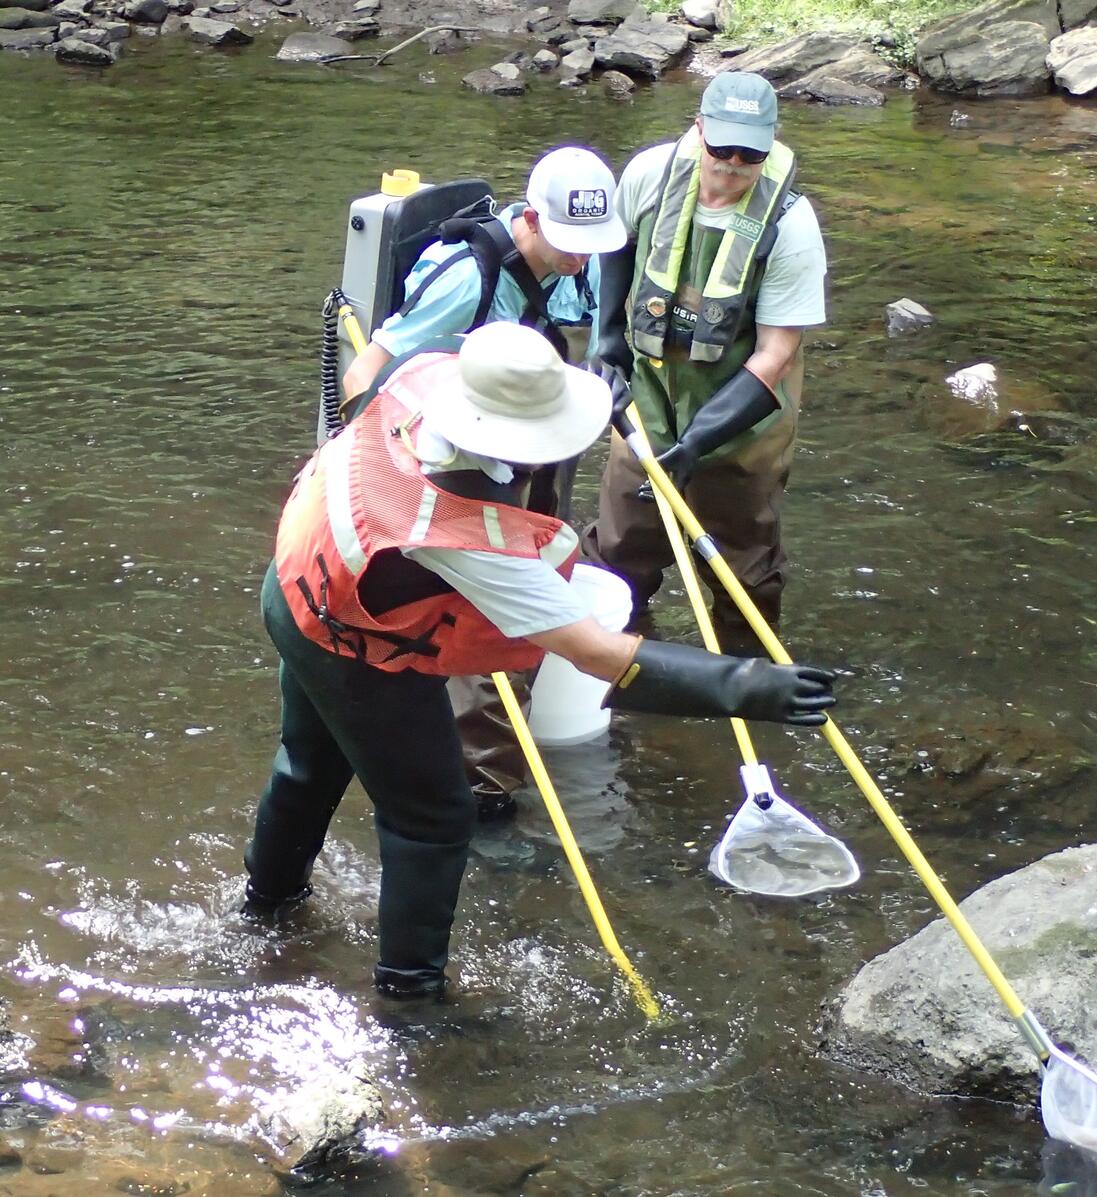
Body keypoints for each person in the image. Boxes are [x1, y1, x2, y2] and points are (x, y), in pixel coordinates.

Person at [243, 323, 836, 1000]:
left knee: (309, 764)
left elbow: (366, 388)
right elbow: (597, 653)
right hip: (352, 639)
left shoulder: (420, 376)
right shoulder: (461, 535)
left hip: (295, 586)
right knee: (434, 816)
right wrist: (754, 687)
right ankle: (411, 999)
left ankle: (266, 910)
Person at [341, 146, 629, 822]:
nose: (583, 259)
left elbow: (583, 334)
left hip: (524, 454)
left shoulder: (570, 270)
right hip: (453, 471)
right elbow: (367, 375)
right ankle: (484, 791)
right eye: (570, 244)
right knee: (487, 622)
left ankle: (494, 759)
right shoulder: (465, 280)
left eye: (593, 247)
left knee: (539, 591)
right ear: (531, 217)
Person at [581, 72, 828, 652]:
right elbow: (615, 249)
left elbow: (776, 353)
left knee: (741, 564)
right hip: (650, 401)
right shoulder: (649, 175)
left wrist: (696, 446)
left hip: (744, 420)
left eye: (751, 153)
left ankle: (745, 676)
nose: (734, 164)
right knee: (619, 552)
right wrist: (608, 343)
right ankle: (620, 674)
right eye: (723, 148)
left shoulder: (792, 224)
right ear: (699, 130)